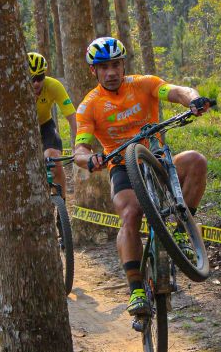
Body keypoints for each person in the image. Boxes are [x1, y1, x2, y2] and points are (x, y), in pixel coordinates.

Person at [73, 37, 211, 316]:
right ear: (94, 71)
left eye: (115, 65)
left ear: (123, 65)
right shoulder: (90, 105)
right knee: (130, 214)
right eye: (103, 67)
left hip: (157, 158)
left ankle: (182, 231)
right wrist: (91, 159)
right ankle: (136, 290)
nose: (111, 72)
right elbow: (80, 149)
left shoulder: (143, 83)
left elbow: (177, 91)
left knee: (196, 160)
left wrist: (193, 99)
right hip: (122, 166)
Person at [28, 52, 77, 197]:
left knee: (54, 160)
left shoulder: (53, 85)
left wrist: (81, 143)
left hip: (45, 126)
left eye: (40, 77)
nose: (36, 83)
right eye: (32, 79)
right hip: (22, 131)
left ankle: (61, 207)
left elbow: (71, 116)